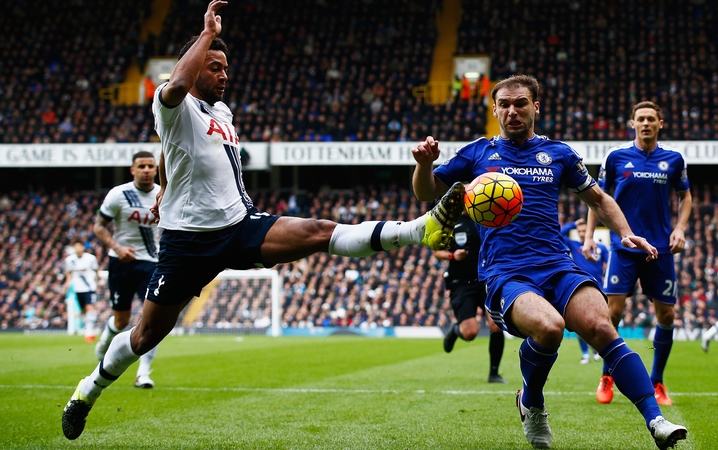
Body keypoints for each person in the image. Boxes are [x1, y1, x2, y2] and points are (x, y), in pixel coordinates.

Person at [61, 1, 465, 440]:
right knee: (143, 338)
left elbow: (171, 152)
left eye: (225, 68)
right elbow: (176, 89)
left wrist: (162, 190)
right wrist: (207, 34)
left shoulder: (222, 113)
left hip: (239, 224)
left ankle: (420, 229)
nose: (224, 75)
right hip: (187, 244)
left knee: (317, 232)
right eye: (214, 67)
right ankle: (87, 390)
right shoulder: (171, 103)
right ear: (193, 66)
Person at [412, 74, 686, 450]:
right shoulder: (477, 153)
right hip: (506, 272)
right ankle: (532, 402)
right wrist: (425, 165)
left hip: (557, 265)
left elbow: (599, 199)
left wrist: (624, 233)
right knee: (550, 327)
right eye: (504, 105)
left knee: (602, 325)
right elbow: (427, 192)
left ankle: (655, 420)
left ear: (535, 107)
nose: (512, 111)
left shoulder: (558, 153)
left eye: (520, 103)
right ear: (494, 109)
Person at [583, 101, 692, 407]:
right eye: (640, 119)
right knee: (612, 314)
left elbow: (686, 196)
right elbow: (597, 198)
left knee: (667, 314)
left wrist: (680, 228)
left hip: (661, 248)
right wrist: (590, 236)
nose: (646, 124)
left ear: (660, 123)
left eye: (651, 119)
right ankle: (607, 376)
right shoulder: (616, 157)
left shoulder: (673, 159)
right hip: (625, 247)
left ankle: (657, 382)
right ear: (632, 123)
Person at [92, 151, 162, 389]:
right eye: (141, 166)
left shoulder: (164, 194)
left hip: (152, 264)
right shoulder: (118, 194)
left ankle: (143, 373)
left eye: (150, 166)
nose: (146, 170)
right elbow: (99, 226)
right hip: (121, 263)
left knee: (153, 320)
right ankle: (105, 342)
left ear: (156, 169)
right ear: (132, 170)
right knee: (121, 321)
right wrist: (117, 247)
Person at [435, 210, 506, 383]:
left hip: (484, 281)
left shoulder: (485, 219)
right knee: (470, 333)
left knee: (496, 325)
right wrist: (452, 255)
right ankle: (455, 330)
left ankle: (494, 373)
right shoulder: (450, 223)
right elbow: (437, 251)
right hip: (460, 283)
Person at [561, 219, 607, 364]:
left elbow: (609, 263)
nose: (581, 234)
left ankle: (596, 350)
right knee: (580, 323)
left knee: (597, 322)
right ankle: (585, 353)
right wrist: (573, 224)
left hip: (598, 287)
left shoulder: (601, 248)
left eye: (584, 231)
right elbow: (559, 234)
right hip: (580, 287)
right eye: (579, 231)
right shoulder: (574, 245)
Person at [63, 241, 101, 342]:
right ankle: (87, 328)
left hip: (90, 288)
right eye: (76, 247)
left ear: (83, 247)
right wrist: (67, 283)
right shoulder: (70, 260)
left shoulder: (90, 258)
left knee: (90, 308)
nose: (78, 248)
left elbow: (96, 270)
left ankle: (90, 332)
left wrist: (99, 281)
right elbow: (68, 273)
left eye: (79, 246)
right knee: (83, 311)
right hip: (78, 289)